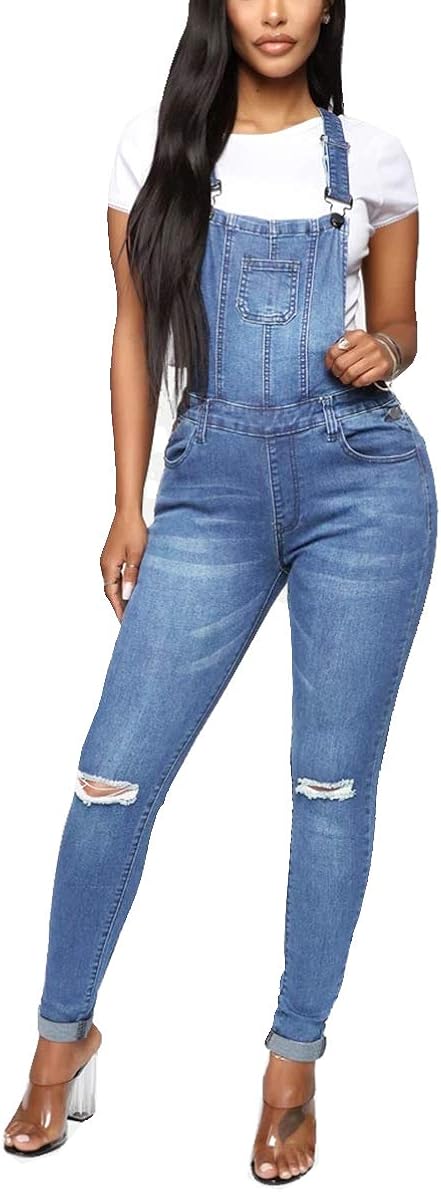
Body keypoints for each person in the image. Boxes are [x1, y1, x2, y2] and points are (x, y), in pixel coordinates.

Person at [4, 0, 437, 1179]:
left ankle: (293, 1069)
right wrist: (127, 502)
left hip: (366, 483)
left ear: (333, 6)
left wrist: (387, 349)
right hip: (210, 484)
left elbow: (401, 319)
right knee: (112, 775)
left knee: (330, 783)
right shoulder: (154, 149)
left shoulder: (374, 156)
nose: (277, 11)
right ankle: (60, 1040)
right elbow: (134, 328)